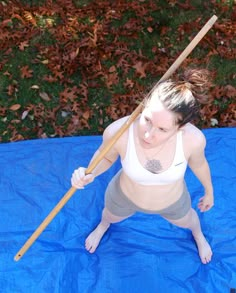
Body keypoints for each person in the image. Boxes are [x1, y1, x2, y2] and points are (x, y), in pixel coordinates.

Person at [71, 68, 214, 264]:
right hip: (124, 196)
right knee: (108, 216)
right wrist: (89, 173)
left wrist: (209, 191)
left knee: (190, 221)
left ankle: (198, 236)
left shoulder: (193, 140)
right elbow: (105, 158)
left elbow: (199, 165)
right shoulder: (118, 132)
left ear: (180, 128)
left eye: (162, 129)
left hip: (172, 202)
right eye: (147, 119)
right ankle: (102, 227)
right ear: (143, 106)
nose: (148, 134)